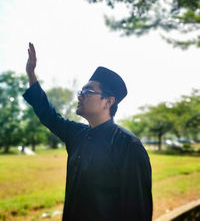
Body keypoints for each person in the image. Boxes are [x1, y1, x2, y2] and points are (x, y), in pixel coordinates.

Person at [23, 42, 153, 221]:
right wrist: (31, 74)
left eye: (88, 91)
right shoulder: (77, 134)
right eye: (81, 91)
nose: (80, 95)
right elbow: (48, 115)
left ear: (108, 102)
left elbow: (138, 211)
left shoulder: (128, 146)